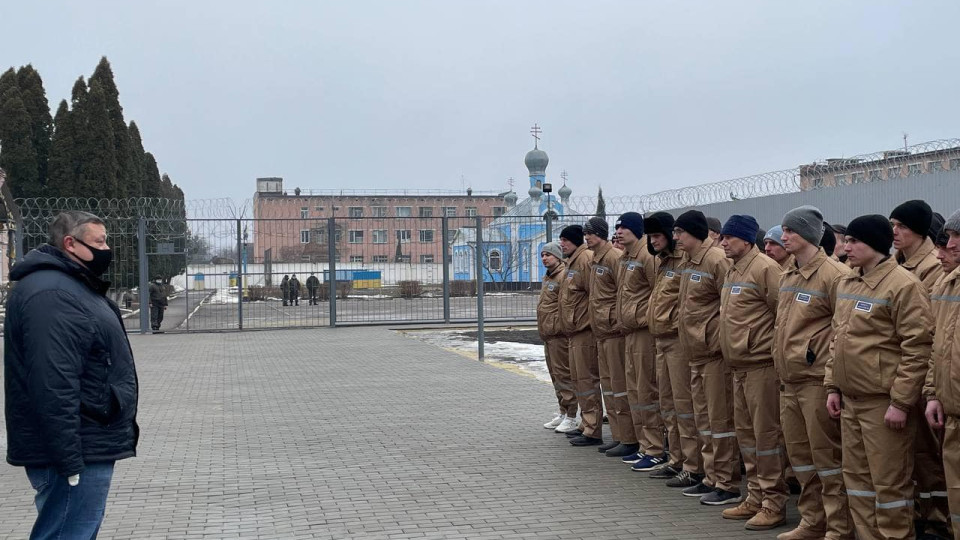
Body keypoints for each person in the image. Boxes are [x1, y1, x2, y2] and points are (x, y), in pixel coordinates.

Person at [4, 211, 139, 539]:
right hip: (74, 450)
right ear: (70, 243)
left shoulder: (71, 286)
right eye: (99, 242)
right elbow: (53, 382)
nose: (106, 249)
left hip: (86, 441)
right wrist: (69, 460)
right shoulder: (52, 294)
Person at [825, 215, 932, 540]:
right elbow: (837, 338)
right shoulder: (848, 283)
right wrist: (832, 385)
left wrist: (900, 401)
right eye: (847, 241)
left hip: (882, 405)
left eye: (854, 241)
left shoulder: (903, 285)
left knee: (890, 485)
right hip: (851, 401)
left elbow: (918, 348)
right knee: (857, 482)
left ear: (873, 243)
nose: (846, 247)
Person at [775, 206, 854, 540]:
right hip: (789, 381)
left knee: (827, 459)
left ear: (807, 233)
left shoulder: (833, 275)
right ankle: (812, 520)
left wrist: (829, 376)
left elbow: (842, 330)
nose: (783, 237)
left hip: (815, 382)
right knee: (801, 458)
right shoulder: (788, 274)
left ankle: (838, 526)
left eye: (790, 231)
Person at [715, 215, 789, 529]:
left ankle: (774, 502)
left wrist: (762, 346)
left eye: (729, 238)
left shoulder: (765, 268)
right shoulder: (734, 268)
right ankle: (755, 496)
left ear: (746, 240)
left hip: (761, 367)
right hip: (739, 367)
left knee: (766, 437)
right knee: (747, 436)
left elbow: (781, 314)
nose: (723, 243)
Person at [888, 200, 951, 538]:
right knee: (910, 452)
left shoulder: (933, 266)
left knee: (929, 452)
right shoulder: (898, 263)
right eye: (893, 225)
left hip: (922, 370)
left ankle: (939, 518)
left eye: (902, 226)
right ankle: (921, 511)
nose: (895, 232)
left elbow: (929, 330)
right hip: (900, 373)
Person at [673, 210, 741, 505]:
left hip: (713, 354)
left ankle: (726, 483)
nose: (676, 238)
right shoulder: (689, 262)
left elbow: (729, 305)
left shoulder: (715, 260)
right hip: (695, 353)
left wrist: (714, 336)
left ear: (696, 233)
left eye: (681, 233)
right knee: (703, 419)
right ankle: (711, 476)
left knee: (719, 420)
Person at [645, 211, 703, 488]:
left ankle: (693, 465)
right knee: (668, 404)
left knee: (684, 405)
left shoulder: (684, 261)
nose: (653, 241)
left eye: (657, 235)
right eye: (650, 236)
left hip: (679, 340)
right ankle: (677, 458)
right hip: (662, 339)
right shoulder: (663, 262)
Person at [612, 212, 664, 465]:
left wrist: (644, 318)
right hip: (629, 331)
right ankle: (644, 444)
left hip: (644, 332)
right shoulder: (626, 257)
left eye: (624, 227)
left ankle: (655, 448)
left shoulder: (647, 256)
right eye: (617, 227)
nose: (619, 231)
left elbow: (657, 292)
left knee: (646, 390)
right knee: (635, 390)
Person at [924, 209, 960, 540]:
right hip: (952, 412)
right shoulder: (946, 283)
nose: (946, 246)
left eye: (954, 239)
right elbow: (937, 346)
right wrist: (933, 394)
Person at [583, 217, 629, 452]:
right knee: (609, 388)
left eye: (590, 233)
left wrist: (614, 318)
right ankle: (619, 436)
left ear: (600, 234)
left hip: (612, 330)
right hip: (601, 329)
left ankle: (627, 438)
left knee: (619, 387)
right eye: (585, 233)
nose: (587, 237)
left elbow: (622, 293)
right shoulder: (594, 259)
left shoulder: (613, 258)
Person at [558, 225, 603, 446]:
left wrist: (583, 320)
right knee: (578, 380)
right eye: (561, 240)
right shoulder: (572, 262)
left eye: (566, 240)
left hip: (584, 330)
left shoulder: (584, 259)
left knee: (587, 380)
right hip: (574, 330)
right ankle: (585, 424)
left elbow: (591, 294)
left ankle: (593, 429)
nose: (562, 244)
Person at [537, 242, 579, 433]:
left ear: (558, 257)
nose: (545, 258)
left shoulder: (563, 276)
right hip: (548, 334)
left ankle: (571, 416)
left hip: (558, 334)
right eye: (543, 255)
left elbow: (566, 305)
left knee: (563, 375)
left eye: (549, 255)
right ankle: (563, 411)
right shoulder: (548, 276)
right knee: (555, 375)